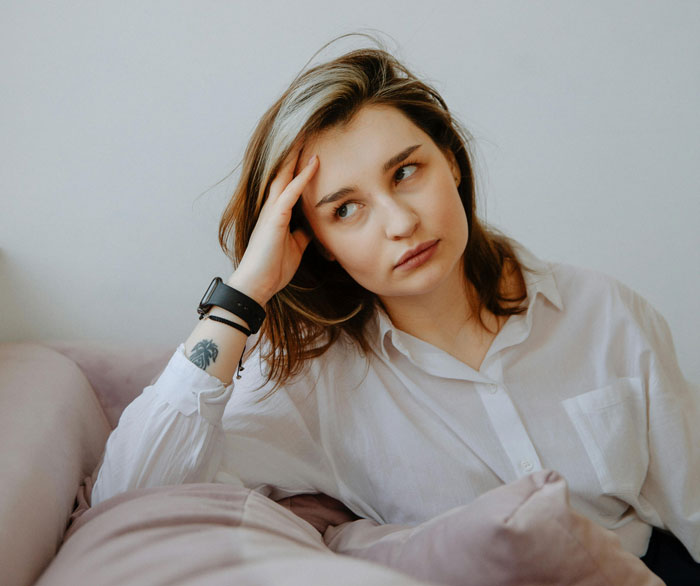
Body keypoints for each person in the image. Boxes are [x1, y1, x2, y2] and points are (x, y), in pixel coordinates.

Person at [90, 34, 699, 584]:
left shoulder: (604, 311)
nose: (402, 223)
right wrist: (243, 293)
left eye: (406, 171)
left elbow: (691, 501)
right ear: (316, 244)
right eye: (345, 209)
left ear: (451, 161)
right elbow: (130, 497)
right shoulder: (313, 383)